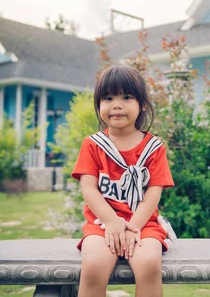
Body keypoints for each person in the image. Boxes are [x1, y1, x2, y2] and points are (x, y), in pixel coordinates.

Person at [72, 65, 174, 297]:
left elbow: (153, 193)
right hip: (102, 224)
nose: (116, 104)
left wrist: (133, 227)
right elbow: (88, 189)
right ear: (99, 105)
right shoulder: (93, 144)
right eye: (108, 98)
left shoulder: (153, 148)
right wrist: (112, 222)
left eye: (126, 97)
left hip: (144, 224)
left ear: (143, 104)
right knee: (93, 267)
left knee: (149, 266)